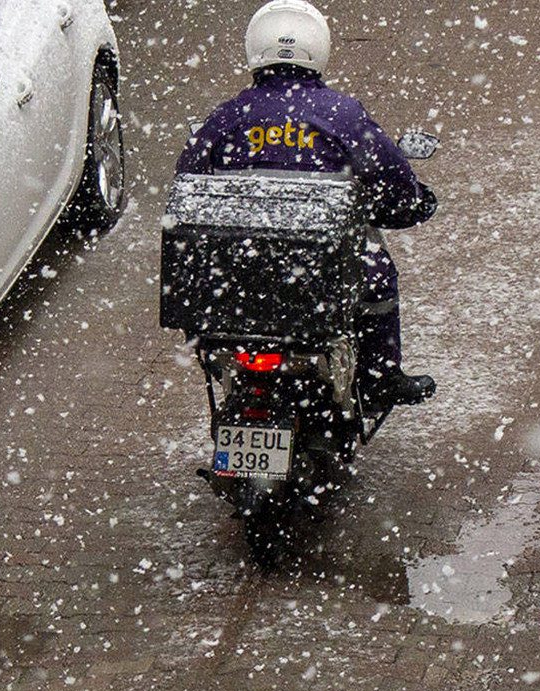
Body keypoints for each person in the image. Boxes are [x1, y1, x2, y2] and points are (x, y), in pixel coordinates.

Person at [176, 0, 437, 407]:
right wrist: (414, 201)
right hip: (322, 271)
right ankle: (380, 378)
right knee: (379, 275)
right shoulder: (342, 114)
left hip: (240, 273)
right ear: (320, 49)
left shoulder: (227, 116)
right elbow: (392, 175)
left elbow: (187, 185)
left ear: (254, 50)